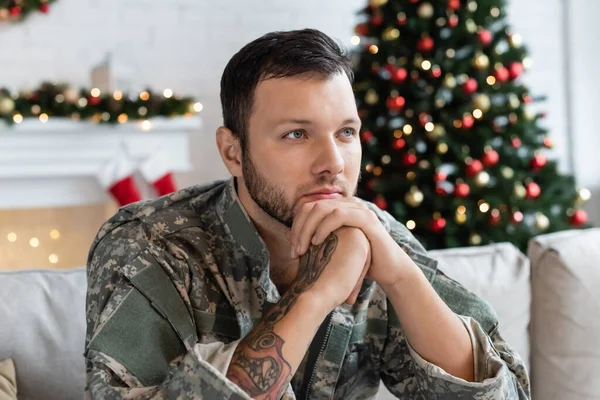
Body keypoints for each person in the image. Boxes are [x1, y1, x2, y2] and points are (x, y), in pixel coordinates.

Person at [84, 28, 530, 399]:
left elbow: (504, 392)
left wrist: (400, 275)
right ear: (233, 152)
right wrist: (315, 294)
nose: (333, 163)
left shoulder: (372, 233)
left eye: (346, 132)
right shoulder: (149, 245)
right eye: (297, 134)